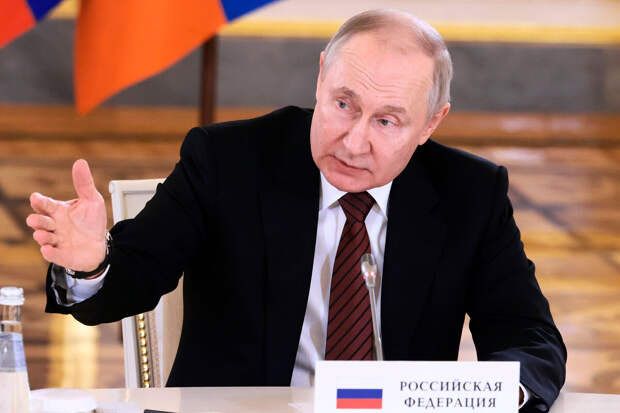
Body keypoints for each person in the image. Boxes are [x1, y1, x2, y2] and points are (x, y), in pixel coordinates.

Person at [26, 9, 566, 412]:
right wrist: (91, 263)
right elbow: (136, 274)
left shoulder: (470, 193)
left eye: (386, 121)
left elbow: (530, 339)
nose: (354, 142)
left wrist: (493, 398)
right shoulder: (228, 160)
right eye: (343, 104)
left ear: (430, 123)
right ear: (321, 75)